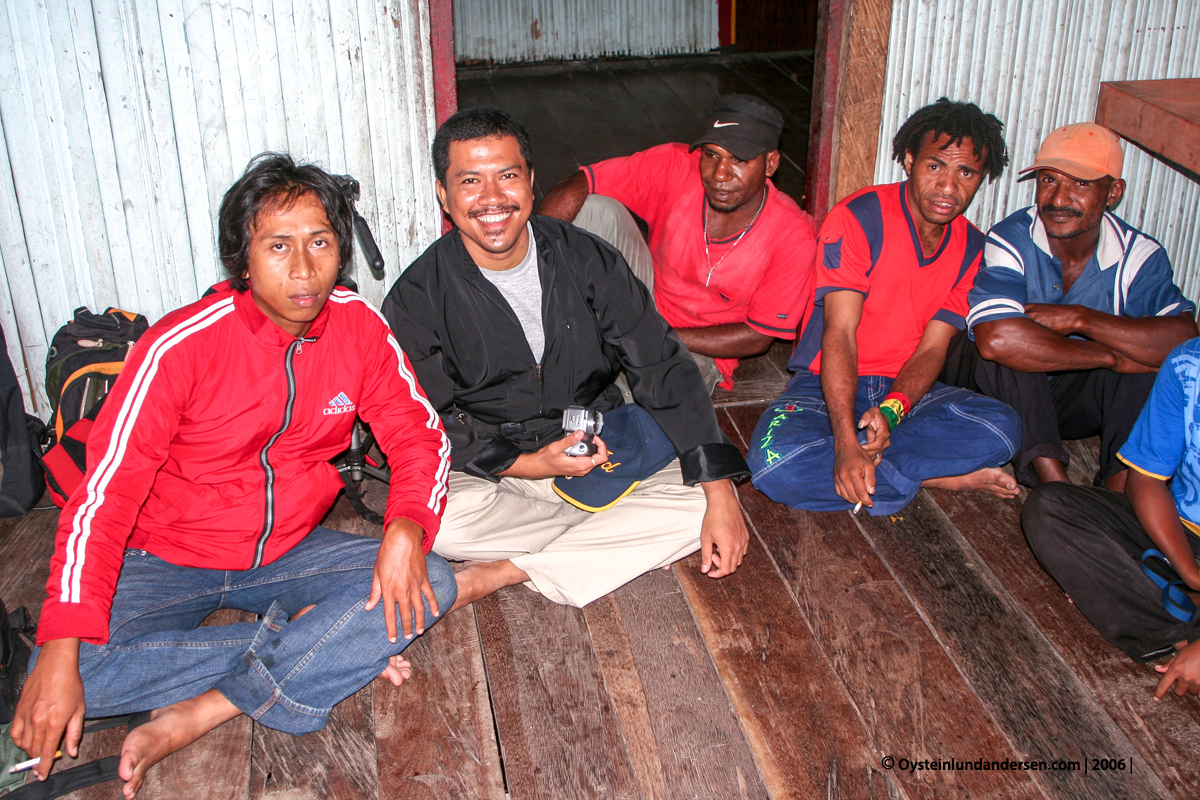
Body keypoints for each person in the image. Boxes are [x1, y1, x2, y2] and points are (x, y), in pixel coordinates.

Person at [10, 154, 456, 799]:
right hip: (162, 555)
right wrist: (58, 645)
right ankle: (307, 642)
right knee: (75, 671)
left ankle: (208, 706)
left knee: (430, 579)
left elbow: (419, 437)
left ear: (341, 253)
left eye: (320, 243)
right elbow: (102, 500)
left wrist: (407, 526)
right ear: (241, 261)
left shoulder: (359, 328)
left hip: (286, 552)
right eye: (278, 246)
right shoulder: (180, 347)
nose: (303, 268)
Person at [383, 107, 751, 610]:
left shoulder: (587, 259)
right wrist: (526, 463)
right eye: (470, 181)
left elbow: (661, 365)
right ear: (445, 196)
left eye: (507, 176)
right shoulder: (417, 297)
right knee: (442, 522)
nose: (492, 199)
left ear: (531, 182)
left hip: (600, 448)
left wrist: (719, 486)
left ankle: (503, 571)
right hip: (499, 469)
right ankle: (610, 536)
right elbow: (428, 420)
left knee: (703, 502)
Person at [748, 98, 1021, 515]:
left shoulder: (973, 248)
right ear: (909, 160)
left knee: (1003, 428)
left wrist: (893, 412)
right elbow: (838, 333)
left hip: (905, 393)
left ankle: (877, 474)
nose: (948, 187)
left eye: (965, 172)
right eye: (935, 166)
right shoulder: (860, 217)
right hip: (828, 385)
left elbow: (932, 349)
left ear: (981, 177)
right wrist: (844, 442)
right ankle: (934, 476)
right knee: (772, 466)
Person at [946, 122, 1197, 491]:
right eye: (1048, 180)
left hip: (1065, 402)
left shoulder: (1138, 255)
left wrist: (1081, 319)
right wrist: (1109, 356)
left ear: (1112, 192)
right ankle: (1056, 486)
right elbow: (996, 340)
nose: (1059, 199)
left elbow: (1184, 342)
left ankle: (1118, 487)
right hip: (998, 394)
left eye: (1080, 184)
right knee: (1014, 346)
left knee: (1146, 361)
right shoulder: (1013, 235)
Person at [538, 94, 817, 392]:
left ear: (771, 163)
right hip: (642, 300)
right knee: (594, 208)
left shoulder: (792, 234)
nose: (720, 174)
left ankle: (586, 379)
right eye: (711, 155)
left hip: (696, 347)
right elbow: (579, 183)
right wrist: (532, 266)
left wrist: (652, 335)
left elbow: (757, 337)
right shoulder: (676, 165)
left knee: (659, 389)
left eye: (739, 160)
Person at [1022, 337, 1200, 689]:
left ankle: (1171, 621)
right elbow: (1146, 481)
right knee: (1051, 507)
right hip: (1184, 536)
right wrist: (1191, 574)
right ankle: (1179, 626)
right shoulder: (1188, 363)